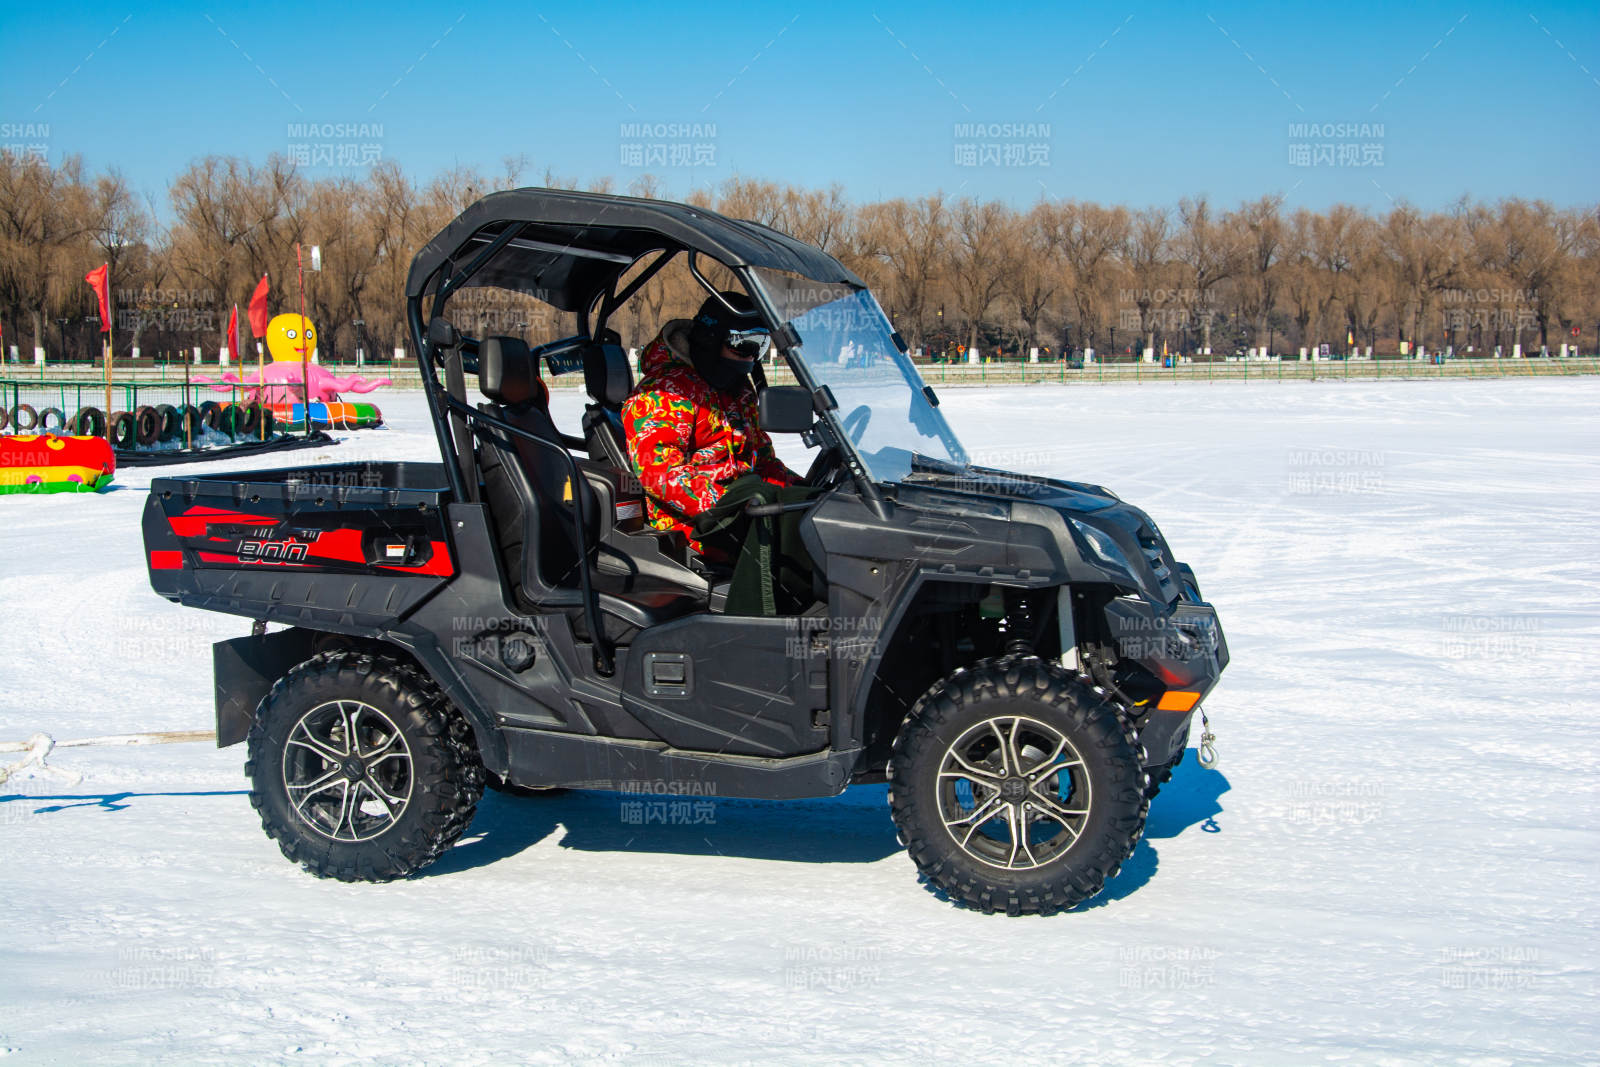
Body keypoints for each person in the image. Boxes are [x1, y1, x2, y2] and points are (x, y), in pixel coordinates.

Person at [622, 291, 817, 615]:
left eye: (760, 345)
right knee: (788, 530)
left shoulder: (736, 390)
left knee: (818, 518)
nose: (751, 355)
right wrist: (726, 505)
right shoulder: (664, 392)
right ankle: (761, 629)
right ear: (712, 339)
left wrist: (805, 494)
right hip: (691, 524)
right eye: (744, 343)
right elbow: (659, 471)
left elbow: (762, 460)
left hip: (742, 507)